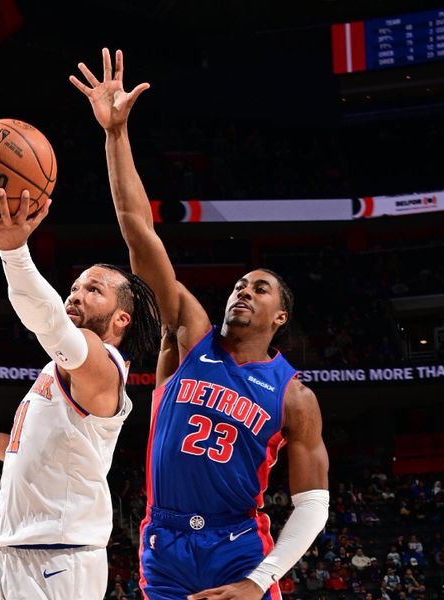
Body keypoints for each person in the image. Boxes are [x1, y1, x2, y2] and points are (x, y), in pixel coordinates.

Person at [71, 48, 330, 600]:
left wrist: (258, 581)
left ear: (280, 317)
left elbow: (313, 506)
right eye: (240, 283)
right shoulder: (188, 334)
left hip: (238, 546)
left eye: (260, 288)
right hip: (162, 541)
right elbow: (139, 230)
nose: (243, 290)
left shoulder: (294, 396)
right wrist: (116, 135)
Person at [0, 189, 161, 600]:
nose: (76, 294)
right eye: (74, 286)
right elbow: (28, 450)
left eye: (93, 289)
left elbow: (48, 322)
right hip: (2, 552)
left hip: (59, 559)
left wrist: (14, 251)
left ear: (122, 317)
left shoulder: (103, 368)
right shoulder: (60, 369)